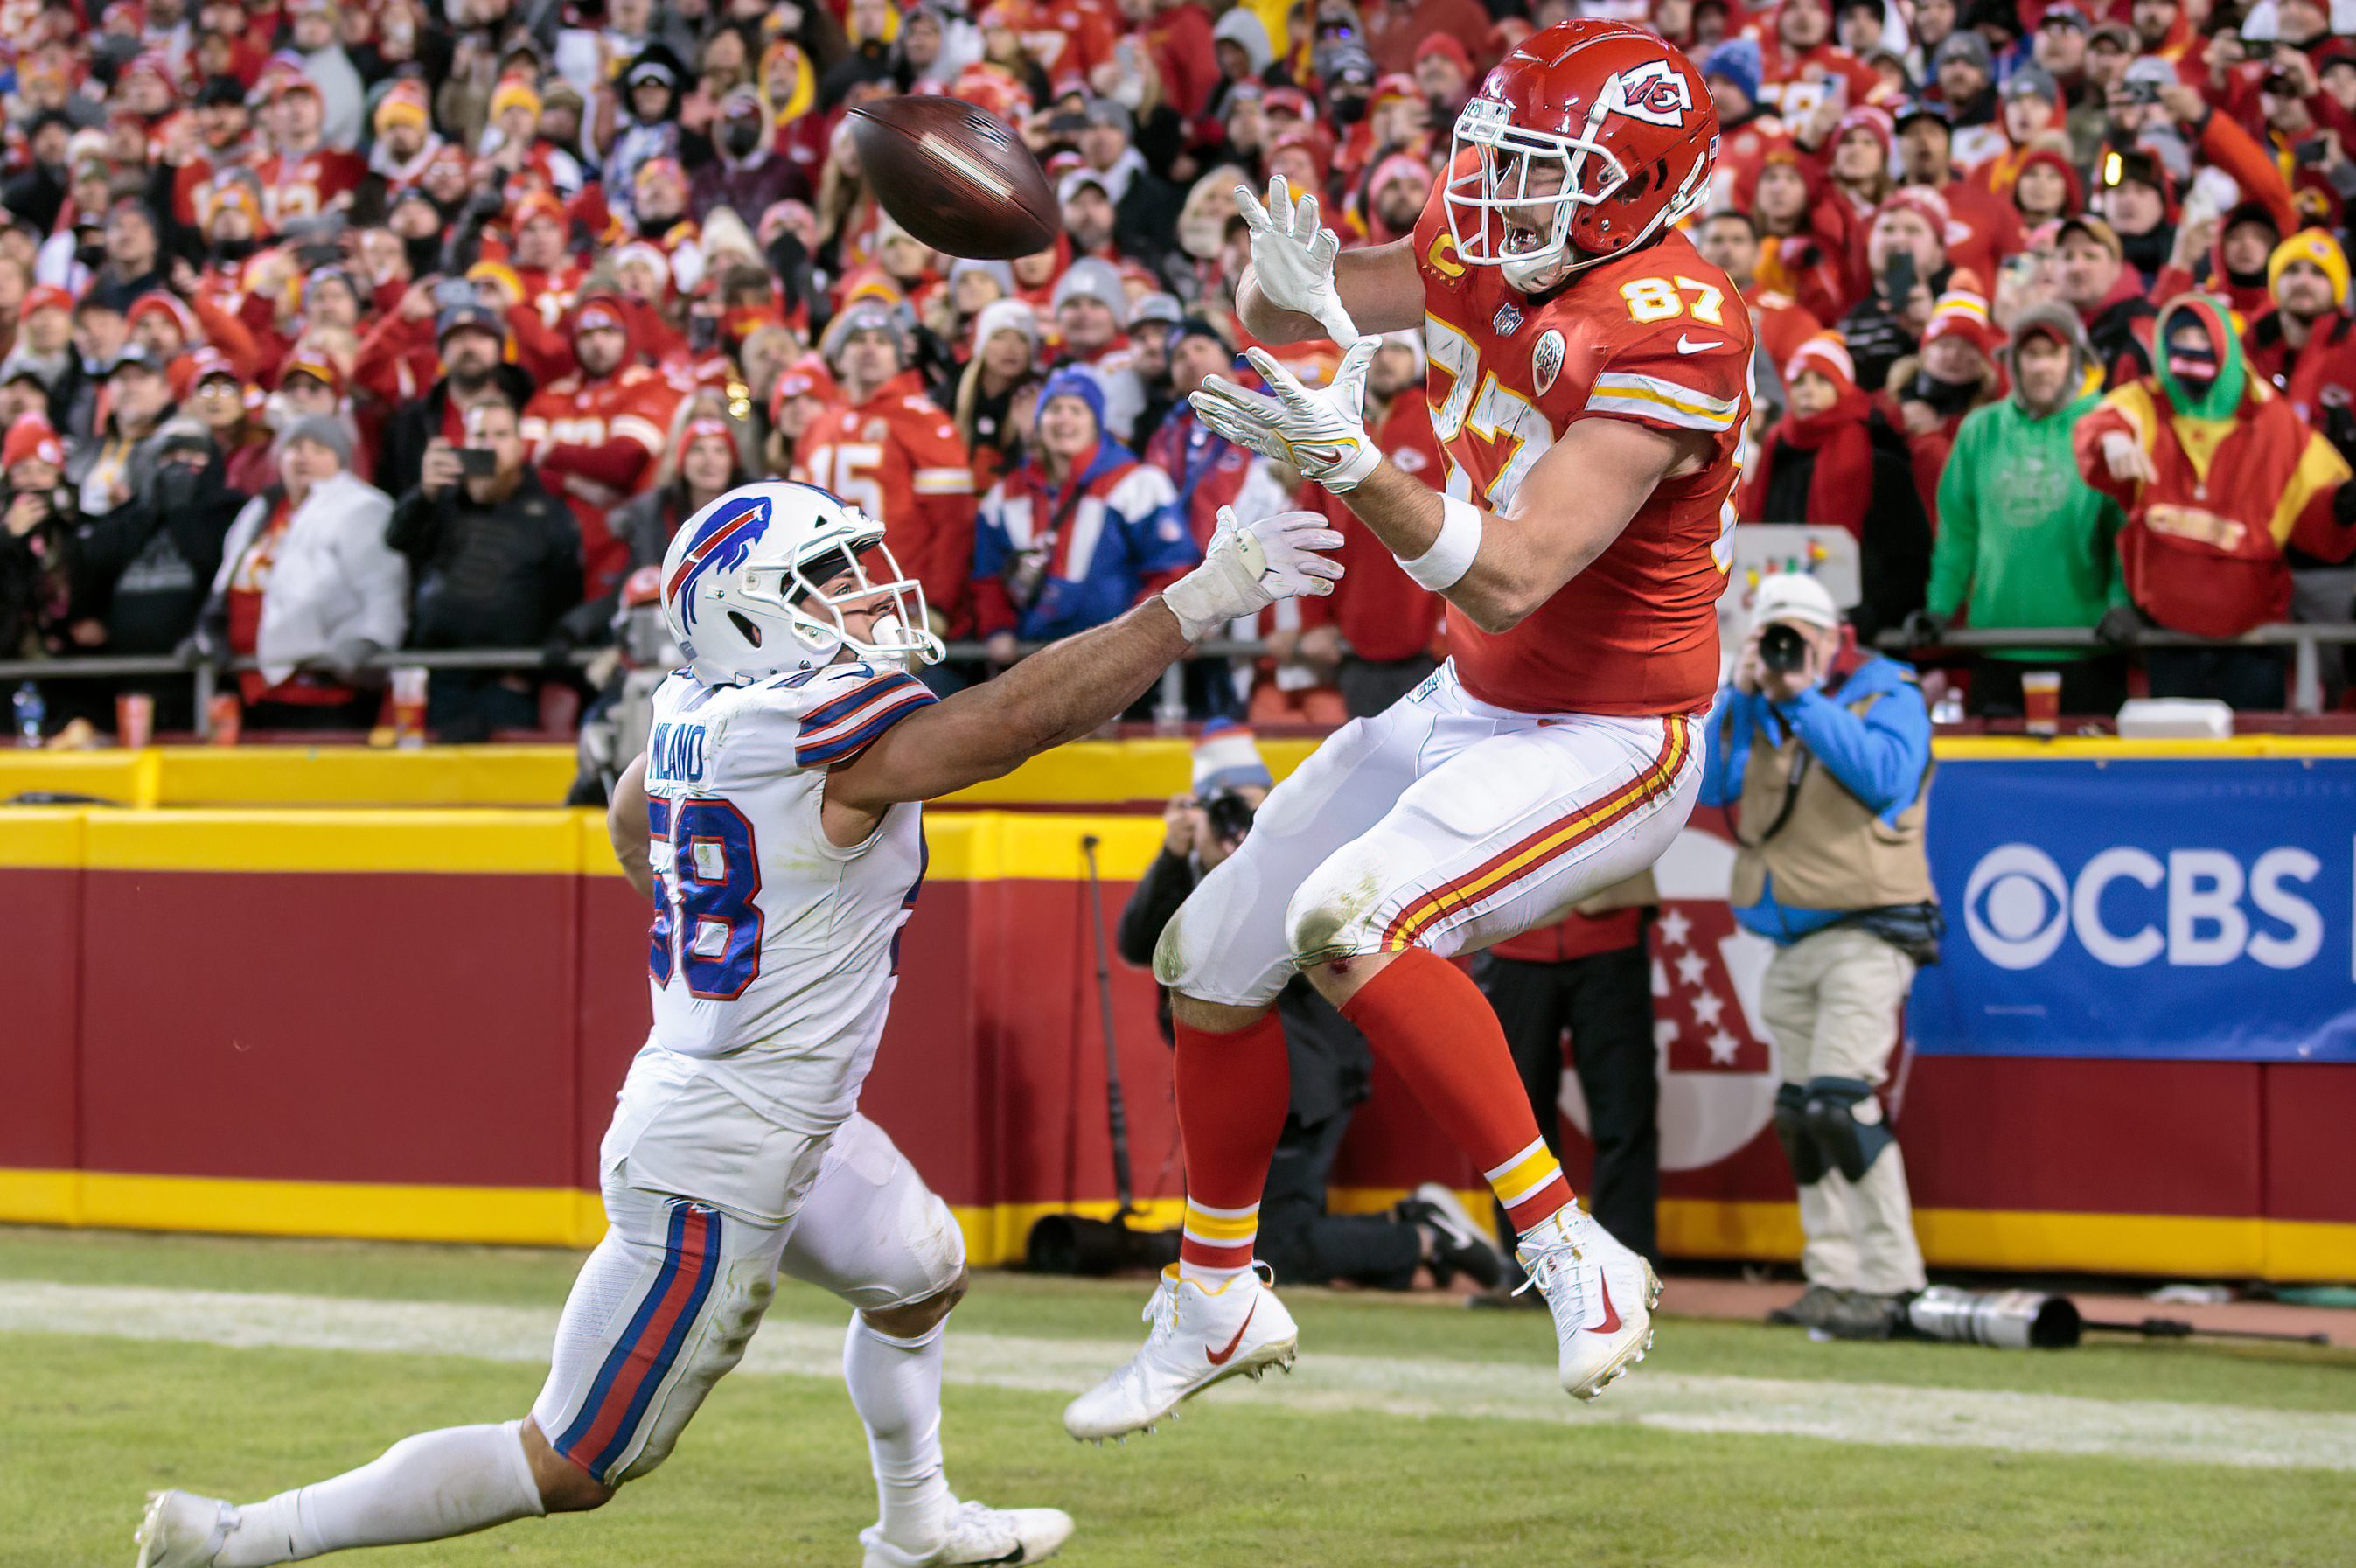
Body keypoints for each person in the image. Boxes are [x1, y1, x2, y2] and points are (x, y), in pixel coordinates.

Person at [136, 480, 1346, 1568]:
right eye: (829, 580)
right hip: (718, 1152)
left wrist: (719, 927)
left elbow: (633, 815)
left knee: (920, 1276)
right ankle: (241, 1537)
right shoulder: (797, 727)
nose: (868, 594)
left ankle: (916, 1526)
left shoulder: (696, 710)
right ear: (747, 614)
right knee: (570, 1461)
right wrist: (1193, 602)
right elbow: (1014, 721)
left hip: (772, 1114)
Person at [1069, 22, 1748, 1439]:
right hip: (1475, 693)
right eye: (1498, 157)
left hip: (1611, 727)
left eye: (1542, 169)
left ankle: (1570, 1246)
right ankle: (1214, 1297)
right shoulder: (1486, 234)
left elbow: (1511, 571)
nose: (1498, 191)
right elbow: (1302, 317)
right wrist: (1275, 282)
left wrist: (1353, 462)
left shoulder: (1674, 321)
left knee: (1351, 919)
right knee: (1207, 954)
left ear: (1632, 186)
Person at [1117, 722, 1506, 1294]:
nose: (1237, 824)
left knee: (1270, 1249)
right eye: (1223, 809)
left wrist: (1254, 859)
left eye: (1251, 807)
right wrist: (1174, 858)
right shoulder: (1190, 874)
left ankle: (1424, 1239)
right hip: (1243, 1079)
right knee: (1242, 1239)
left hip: (1309, 1078)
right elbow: (1136, 944)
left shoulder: (1301, 856)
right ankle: (1412, 1247)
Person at [1697, 571, 1937, 1341]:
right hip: (1789, 939)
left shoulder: (1887, 690)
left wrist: (1802, 697)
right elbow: (1707, 786)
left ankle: (1893, 1280)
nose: (1785, 650)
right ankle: (1832, 1277)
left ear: (1835, 637)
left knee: (1841, 1103)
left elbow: (1888, 779)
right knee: (1802, 1114)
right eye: (1774, 636)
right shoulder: (1758, 700)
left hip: (1869, 930)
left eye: (1800, 636)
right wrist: (1736, 696)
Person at [2074, 293, 2356, 710]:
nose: (2192, 350)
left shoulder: (2273, 420)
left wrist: (2341, 506)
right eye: (2180, 339)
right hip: (2165, 642)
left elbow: (2316, 515)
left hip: (2252, 647)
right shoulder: (2147, 401)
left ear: (2225, 342)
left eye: (2202, 338)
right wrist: (2111, 440)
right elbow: (2100, 423)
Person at [1918, 305, 2130, 719]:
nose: (2041, 367)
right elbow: (1958, 534)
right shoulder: (1979, 430)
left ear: (2076, 359)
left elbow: (2123, 532)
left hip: (2087, 647)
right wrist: (1939, 608)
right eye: (2030, 354)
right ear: (2013, 362)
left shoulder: (2106, 426)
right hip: (1995, 647)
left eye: (2054, 353)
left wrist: (2121, 604)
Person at [1472, 868, 1662, 1280]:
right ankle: (1532, 1272)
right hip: (1512, 927)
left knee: (1626, 1110)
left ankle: (1627, 1271)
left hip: (1610, 921)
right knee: (1514, 1120)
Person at [387, 395, 583, 738]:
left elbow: (565, 595)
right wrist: (424, 493)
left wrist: (536, 673)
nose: (489, 445)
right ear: (464, 443)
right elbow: (396, 539)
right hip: (438, 680)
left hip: (508, 682)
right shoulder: (438, 503)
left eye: (501, 435)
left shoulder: (550, 515)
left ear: (520, 446)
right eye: (479, 435)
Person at [196, 416, 407, 731]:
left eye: (319, 449)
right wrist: (208, 633)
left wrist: (371, 642)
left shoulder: (363, 508)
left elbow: (384, 589)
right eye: (295, 448)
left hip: (324, 687)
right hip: (249, 684)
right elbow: (226, 580)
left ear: (341, 459)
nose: (304, 457)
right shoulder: (260, 509)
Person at [972, 368, 1197, 661]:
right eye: (1054, 409)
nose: (1064, 419)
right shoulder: (1005, 495)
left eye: (1077, 410)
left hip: (1120, 659)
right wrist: (998, 628)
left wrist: (1140, 632)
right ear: (1038, 423)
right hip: (1034, 661)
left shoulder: (1137, 484)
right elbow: (988, 574)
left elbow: (1172, 568)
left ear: (1096, 423)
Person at [799, 302, 979, 639]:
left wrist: (936, 604)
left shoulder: (924, 420)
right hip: (826, 608)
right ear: (838, 357)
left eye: (881, 341)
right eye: (858, 340)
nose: (870, 349)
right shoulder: (819, 426)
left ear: (898, 357)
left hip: (899, 606)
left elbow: (953, 523)